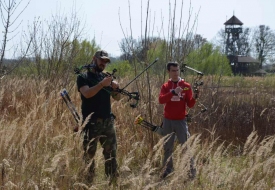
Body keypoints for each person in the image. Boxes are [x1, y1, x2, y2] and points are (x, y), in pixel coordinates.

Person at [76, 50, 121, 183]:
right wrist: (102, 84)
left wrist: (116, 88)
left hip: (108, 122)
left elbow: (117, 98)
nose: (103, 64)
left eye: (106, 61)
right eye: (101, 60)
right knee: (89, 156)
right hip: (91, 123)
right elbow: (87, 94)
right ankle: (88, 183)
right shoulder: (83, 77)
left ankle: (111, 182)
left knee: (111, 154)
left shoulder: (105, 77)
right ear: (94, 59)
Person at [158, 61, 198, 179]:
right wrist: (173, 92)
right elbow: (161, 100)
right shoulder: (165, 86)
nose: (175, 73)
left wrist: (195, 97)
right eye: (173, 71)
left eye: (177, 70)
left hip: (181, 121)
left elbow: (190, 104)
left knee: (185, 146)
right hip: (168, 121)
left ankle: (191, 172)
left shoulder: (186, 86)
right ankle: (167, 171)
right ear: (168, 72)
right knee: (167, 148)